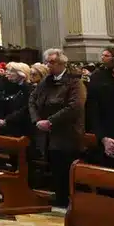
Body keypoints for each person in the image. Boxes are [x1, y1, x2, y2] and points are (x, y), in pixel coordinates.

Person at [29, 48, 86, 207]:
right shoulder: (46, 81)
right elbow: (32, 100)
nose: (48, 65)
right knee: (55, 167)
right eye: (47, 62)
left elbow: (75, 106)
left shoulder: (74, 82)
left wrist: (50, 121)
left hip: (67, 133)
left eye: (52, 62)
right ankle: (59, 198)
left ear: (62, 63)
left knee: (66, 168)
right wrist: (37, 120)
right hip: (47, 133)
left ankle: (70, 200)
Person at [0, 62, 32, 136]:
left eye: (11, 71)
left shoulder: (27, 88)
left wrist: (7, 120)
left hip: (20, 129)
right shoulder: (3, 85)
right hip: (2, 127)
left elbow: (26, 108)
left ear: (21, 73)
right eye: (7, 70)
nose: (7, 73)